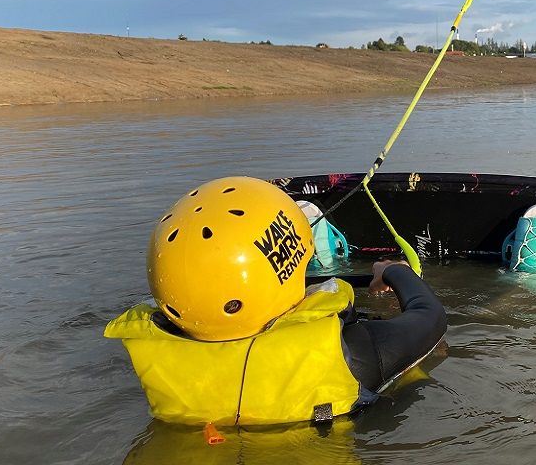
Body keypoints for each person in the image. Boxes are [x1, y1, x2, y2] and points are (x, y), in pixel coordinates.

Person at [104, 176, 447, 426]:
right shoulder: (355, 352)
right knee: (420, 371)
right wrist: (392, 271)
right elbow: (430, 316)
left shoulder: (160, 357)